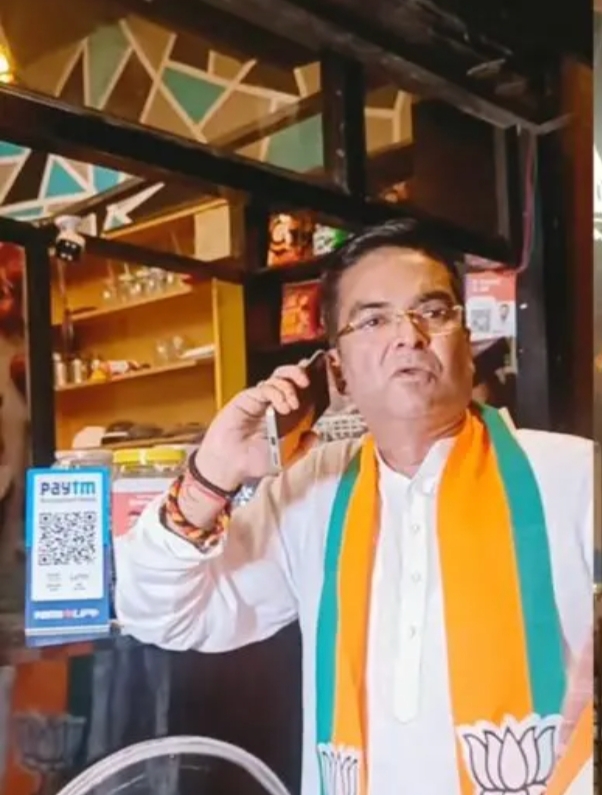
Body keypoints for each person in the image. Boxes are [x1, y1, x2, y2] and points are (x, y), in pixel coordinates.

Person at [115, 219, 593, 795]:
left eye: (433, 311)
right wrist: (210, 475)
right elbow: (161, 615)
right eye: (373, 320)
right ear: (336, 370)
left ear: (467, 346)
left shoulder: (571, 475)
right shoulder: (312, 491)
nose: (409, 335)